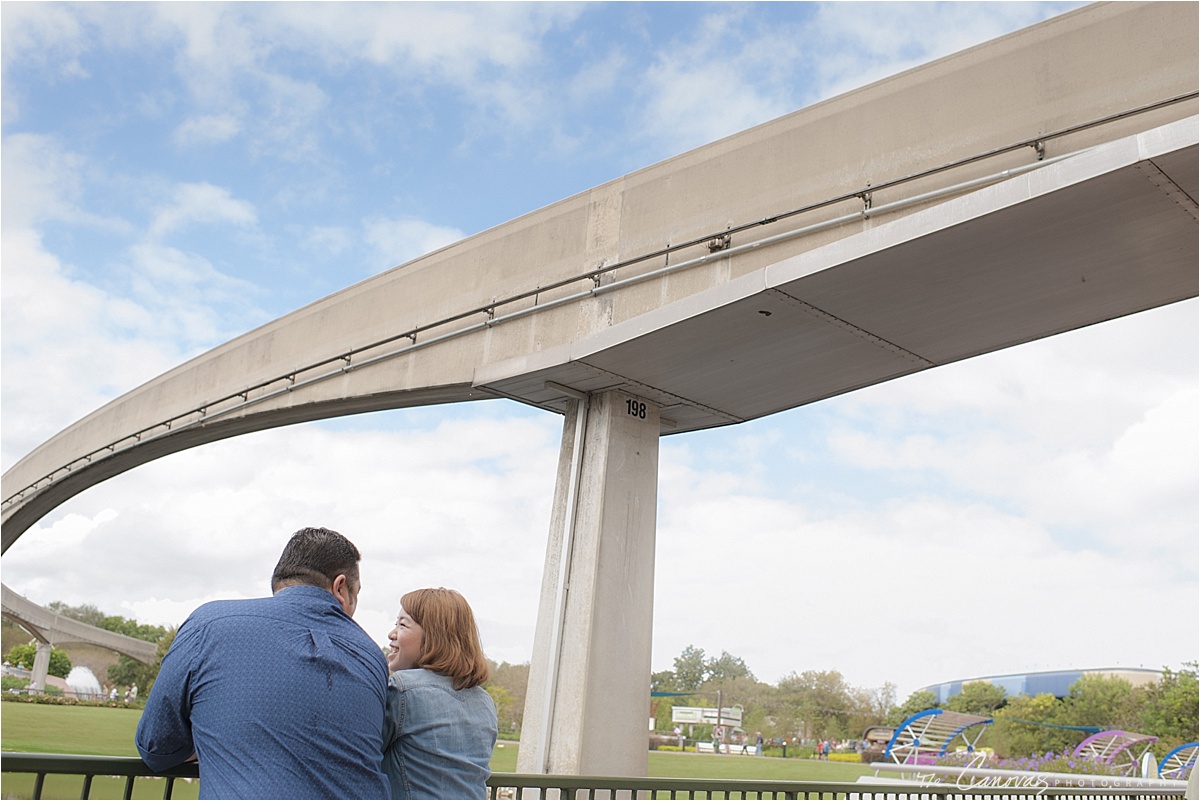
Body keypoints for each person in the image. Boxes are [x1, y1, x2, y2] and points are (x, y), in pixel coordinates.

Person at [135, 526, 389, 800]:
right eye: (357, 594)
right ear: (340, 587)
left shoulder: (210, 624)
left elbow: (155, 747)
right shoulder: (371, 653)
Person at [383, 587, 497, 800]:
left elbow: (362, 752)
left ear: (433, 636)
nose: (392, 633)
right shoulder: (484, 701)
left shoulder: (403, 689)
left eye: (402, 624)